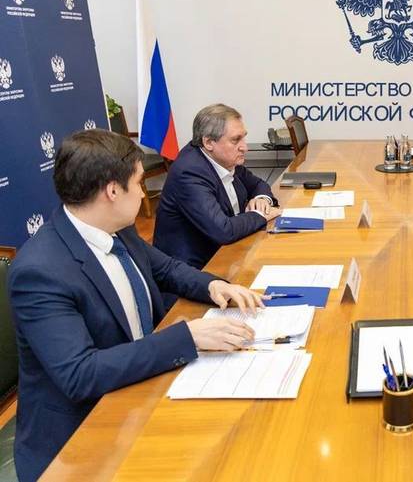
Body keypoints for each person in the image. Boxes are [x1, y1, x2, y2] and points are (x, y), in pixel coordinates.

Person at [8, 130, 265, 482]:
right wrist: (187, 336)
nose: (144, 194)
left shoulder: (116, 228)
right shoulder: (41, 272)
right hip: (80, 441)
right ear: (112, 191)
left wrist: (215, 285)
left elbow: (167, 269)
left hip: (140, 390)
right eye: (139, 183)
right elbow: (81, 375)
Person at [154, 103, 280, 272]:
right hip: (194, 271)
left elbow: (258, 184)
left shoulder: (223, 158)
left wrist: (261, 199)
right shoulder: (189, 172)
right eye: (235, 140)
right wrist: (260, 215)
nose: (245, 147)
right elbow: (223, 231)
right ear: (208, 142)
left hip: (229, 252)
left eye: (243, 138)